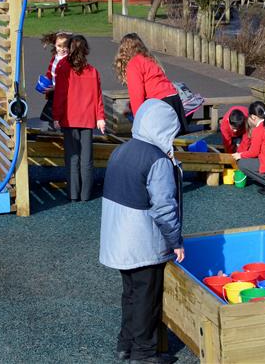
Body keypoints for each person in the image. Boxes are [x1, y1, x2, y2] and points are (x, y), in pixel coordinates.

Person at [100, 99, 184, 364]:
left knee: (131, 294)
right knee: (147, 298)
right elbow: (163, 207)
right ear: (164, 128)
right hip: (142, 241)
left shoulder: (122, 150)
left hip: (118, 237)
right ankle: (144, 354)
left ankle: (124, 345)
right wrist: (175, 240)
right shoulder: (157, 159)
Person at [52, 35, 105, 202]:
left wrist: (56, 116)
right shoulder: (93, 71)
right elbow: (98, 97)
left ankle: (73, 193)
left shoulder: (63, 67)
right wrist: (100, 117)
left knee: (72, 157)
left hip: (69, 118)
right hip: (88, 119)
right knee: (86, 159)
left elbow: (60, 95)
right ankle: (86, 194)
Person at [114, 33, 187, 135]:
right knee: (174, 136)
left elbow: (137, 95)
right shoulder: (149, 59)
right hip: (174, 98)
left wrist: (138, 121)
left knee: (160, 138)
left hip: (160, 102)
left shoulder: (134, 64)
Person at [39, 31, 71, 128]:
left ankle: (59, 130)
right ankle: (52, 129)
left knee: (57, 111)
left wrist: (56, 87)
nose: (62, 49)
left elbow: (67, 80)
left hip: (61, 92)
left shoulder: (68, 61)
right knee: (50, 112)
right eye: (59, 46)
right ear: (55, 46)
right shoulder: (55, 58)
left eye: (65, 46)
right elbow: (50, 71)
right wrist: (46, 81)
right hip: (52, 90)